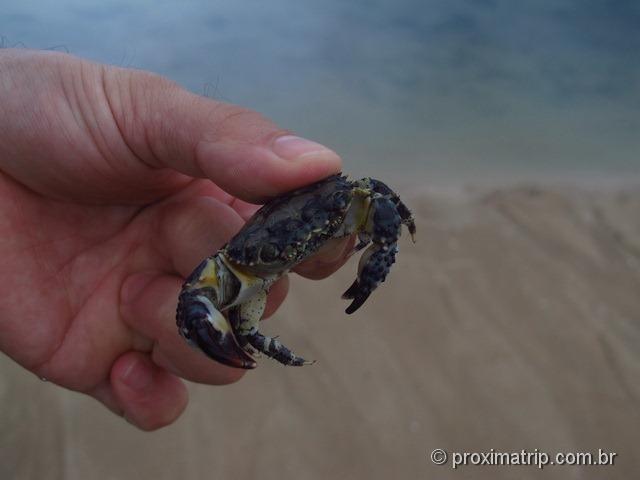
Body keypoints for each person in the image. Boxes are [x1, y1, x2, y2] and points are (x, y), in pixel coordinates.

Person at [0, 49, 351, 430]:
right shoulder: (230, 266)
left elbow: (372, 195)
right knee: (232, 322)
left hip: (286, 232)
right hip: (252, 266)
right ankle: (278, 354)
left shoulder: (344, 196)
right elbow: (196, 306)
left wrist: (382, 244)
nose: (298, 251)